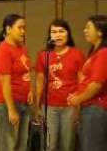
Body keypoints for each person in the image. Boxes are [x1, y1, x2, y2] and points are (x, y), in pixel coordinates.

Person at [35, 19, 85, 151]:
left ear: (68, 34)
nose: (57, 35)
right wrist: (37, 106)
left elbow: (82, 82)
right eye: (54, 32)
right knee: (50, 144)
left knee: (67, 144)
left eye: (61, 31)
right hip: (49, 106)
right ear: (49, 36)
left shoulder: (77, 54)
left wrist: (79, 107)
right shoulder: (43, 55)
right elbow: (39, 81)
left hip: (70, 106)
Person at [67, 15, 107, 151]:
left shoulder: (103, 53)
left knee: (92, 146)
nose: (85, 31)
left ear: (100, 32)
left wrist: (78, 99)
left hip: (96, 108)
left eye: (88, 28)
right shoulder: (94, 53)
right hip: (88, 107)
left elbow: (97, 85)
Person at [0, 14, 33, 151]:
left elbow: (27, 72)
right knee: (7, 144)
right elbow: (4, 81)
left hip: (24, 103)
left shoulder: (22, 48)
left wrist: (30, 91)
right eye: (20, 28)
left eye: (24, 28)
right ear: (8, 29)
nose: (23, 31)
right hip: (8, 104)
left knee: (21, 144)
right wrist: (11, 109)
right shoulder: (3, 50)